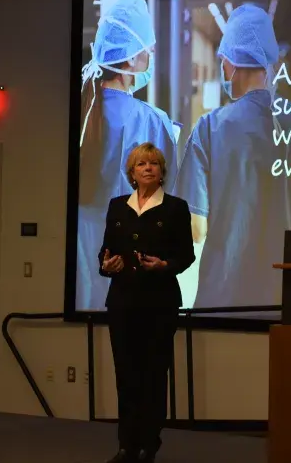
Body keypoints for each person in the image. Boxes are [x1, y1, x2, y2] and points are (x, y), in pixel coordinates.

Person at [173, 3, 291, 309]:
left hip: (225, 296)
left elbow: (195, 228)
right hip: (288, 294)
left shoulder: (209, 129)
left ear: (230, 62)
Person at [78, 0, 179, 311]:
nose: (151, 55)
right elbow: (171, 197)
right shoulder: (152, 121)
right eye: (148, 50)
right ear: (132, 59)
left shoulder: (80, 113)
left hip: (82, 268)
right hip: (135, 277)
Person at [99, 142, 195, 463]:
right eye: (142, 164)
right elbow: (106, 250)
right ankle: (126, 444)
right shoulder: (117, 206)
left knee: (154, 375)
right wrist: (107, 264)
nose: (148, 168)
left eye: (154, 163)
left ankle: (148, 445)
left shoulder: (175, 208)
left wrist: (165, 266)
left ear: (162, 171)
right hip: (123, 302)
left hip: (159, 304)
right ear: (133, 172)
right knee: (126, 375)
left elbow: (186, 255)